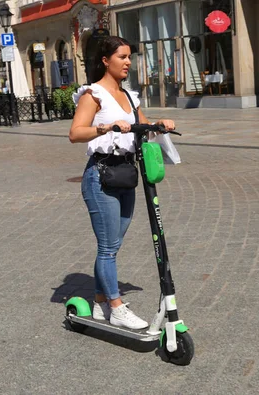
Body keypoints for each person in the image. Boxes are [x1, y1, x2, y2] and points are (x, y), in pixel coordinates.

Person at [69, 36, 176, 330]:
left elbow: (142, 125)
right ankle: (116, 307)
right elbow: (76, 133)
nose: (128, 62)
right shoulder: (94, 95)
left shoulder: (129, 96)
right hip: (100, 176)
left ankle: (101, 301)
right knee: (107, 247)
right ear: (106, 60)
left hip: (126, 175)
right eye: (122, 57)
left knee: (112, 246)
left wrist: (160, 124)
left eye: (130, 57)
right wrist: (106, 126)